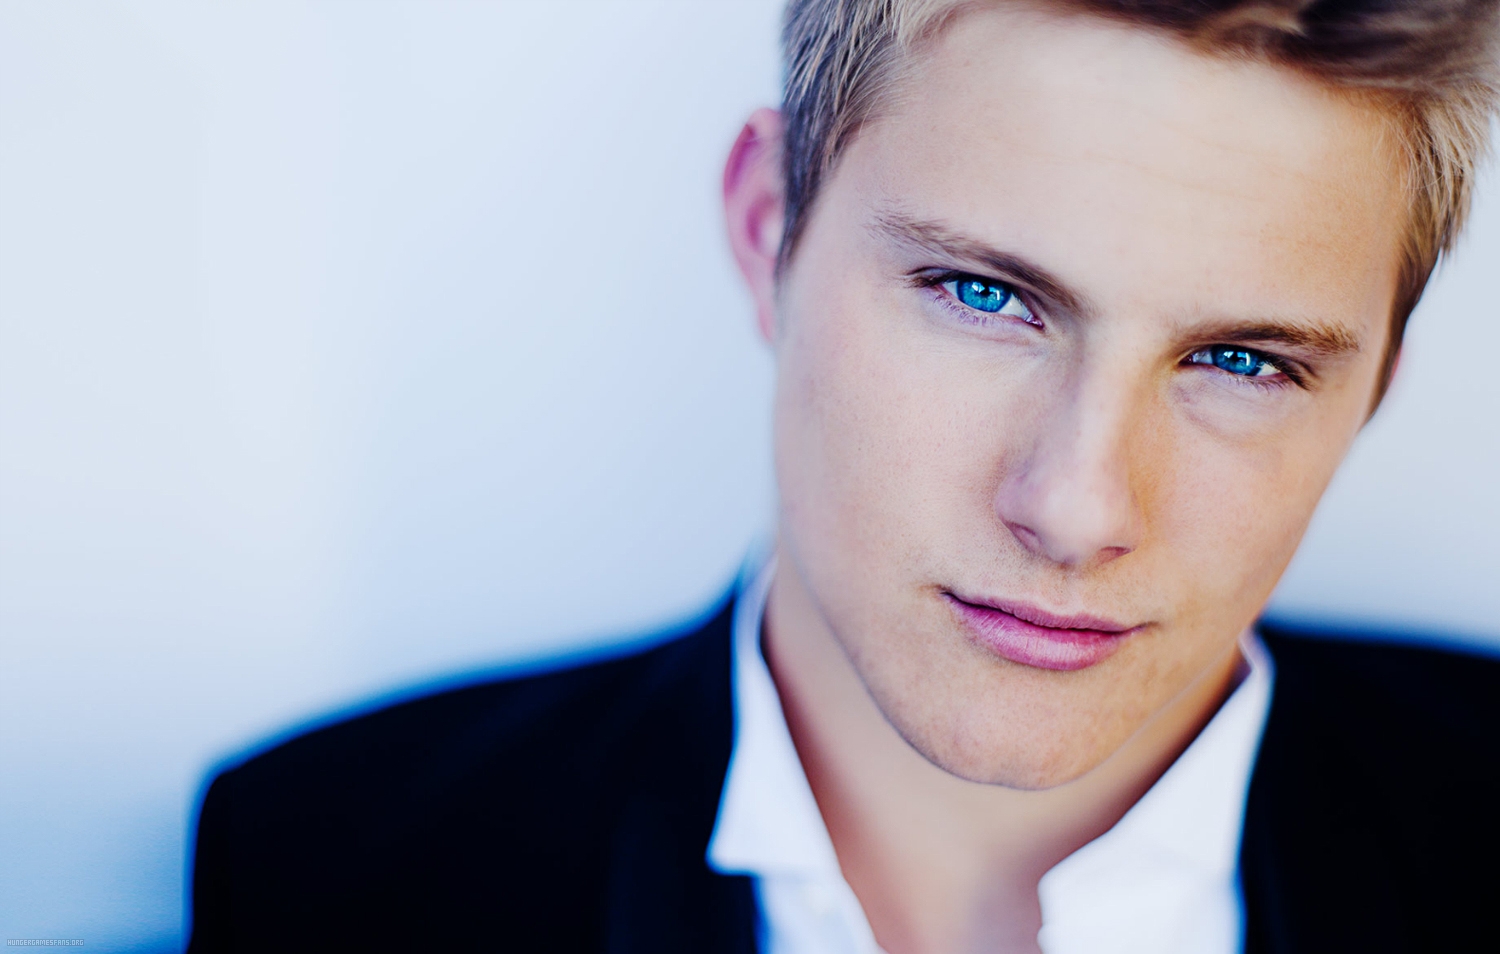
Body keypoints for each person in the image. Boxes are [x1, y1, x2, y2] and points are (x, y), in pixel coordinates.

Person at [184, 0, 1500, 951]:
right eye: (983, 295)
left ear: (1378, 383)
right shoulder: (335, 868)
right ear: (770, 227)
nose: (1077, 508)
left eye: (1243, 360)